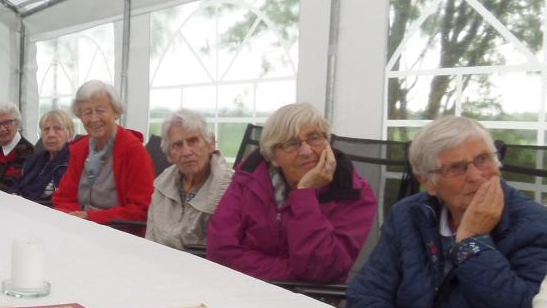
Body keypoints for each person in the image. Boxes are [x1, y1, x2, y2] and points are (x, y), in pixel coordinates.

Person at [347, 116, 547, 308]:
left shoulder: (534, 225)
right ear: (428, 182)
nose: (477, 176)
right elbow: (367, 295)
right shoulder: (409, 215)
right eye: (456, 168)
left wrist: (472, 243)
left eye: (483, 159)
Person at [207, 102, 376, 283]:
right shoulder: (250, 176)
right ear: (274, 157)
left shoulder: (352, 191)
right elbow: (220, 251)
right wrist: (292, 273)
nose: (306, 151)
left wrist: (304, 194)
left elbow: (321, 269)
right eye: (292, 143)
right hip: (244, 289)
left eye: (314, 138)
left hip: (312, 302)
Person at [52, 80, 154, 224]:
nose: (94, 118)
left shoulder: (134, 151)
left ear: (116, 112)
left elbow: (142, 210)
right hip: (77, 226)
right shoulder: (80, 149)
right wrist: (74, 216)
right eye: (87, 112)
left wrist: (90, 217)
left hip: (119, 233)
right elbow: (63, 198)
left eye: (100, 110)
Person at [146, 109, 232, 250]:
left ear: (210, 144)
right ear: (169, 155)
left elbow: (223, 252)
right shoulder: (162, 184)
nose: (186, 152)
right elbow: (150, 236)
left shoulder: (228, 189)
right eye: (177, 145)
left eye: (193, 141)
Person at [13, 109, 73, 204]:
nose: (51, 134)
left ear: (69, 135)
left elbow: (63, 201)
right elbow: (17, 186)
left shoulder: (74, 162)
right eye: (46, 129)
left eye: (57, 129)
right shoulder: (33, 160)